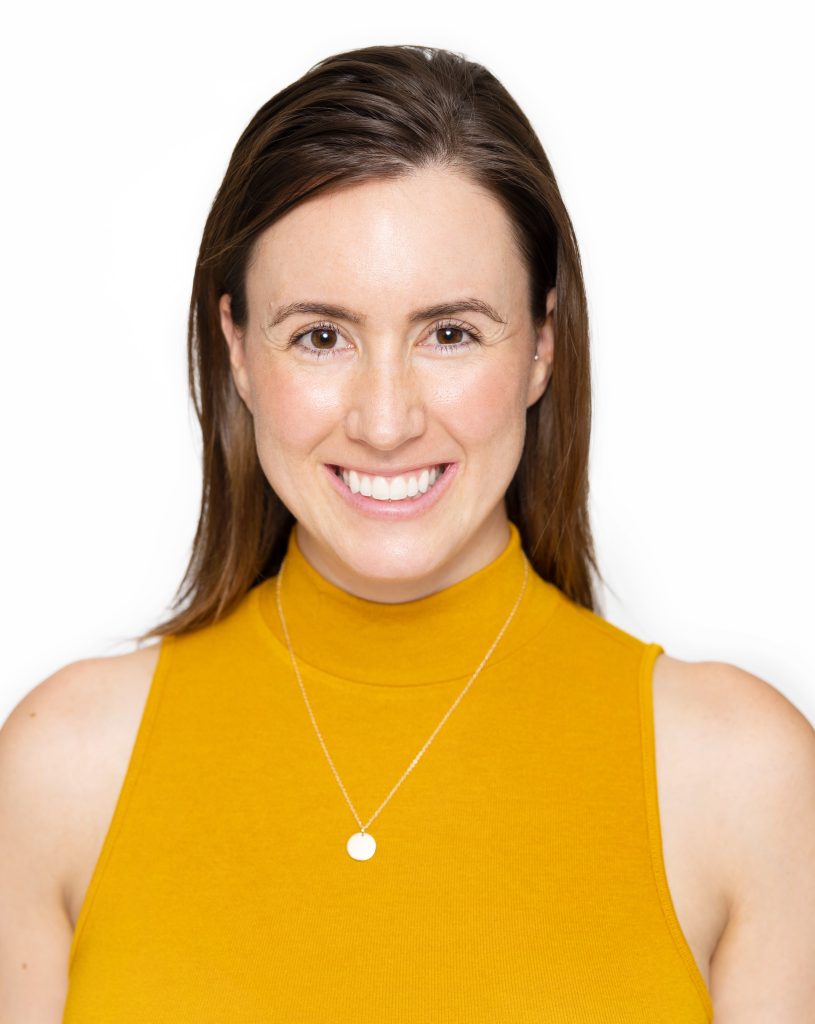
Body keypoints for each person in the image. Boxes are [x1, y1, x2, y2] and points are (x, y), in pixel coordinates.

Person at [1, 43, 813, 1023]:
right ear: (238, 351)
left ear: (542, 345)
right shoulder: (61, 767)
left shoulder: (741, 776)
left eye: (450, 333)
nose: (385, 422)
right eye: (320, 336)